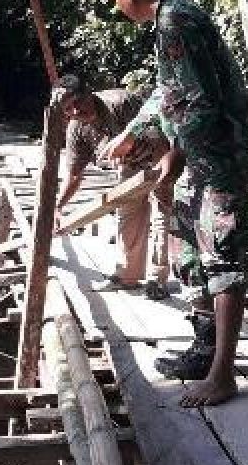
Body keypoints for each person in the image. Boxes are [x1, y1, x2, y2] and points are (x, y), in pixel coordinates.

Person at [97, 0, 248, 407]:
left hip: (219, 155)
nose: (115, 6)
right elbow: (168, 94)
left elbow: (201, 103)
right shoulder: (170, 16)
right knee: (188, 241)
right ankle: (204, 352)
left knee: (221, 256)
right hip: (199, 154)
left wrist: (174, 157)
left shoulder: (175, 22)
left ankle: (222, 375)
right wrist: (131, 133)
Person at [53, 73, 171, 299]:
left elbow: (159, 124)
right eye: (68, 110)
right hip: (129, 166)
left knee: (161, 216)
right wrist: (58, 207)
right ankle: (128, 276)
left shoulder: (120, 103)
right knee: (126, 214)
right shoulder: (76, 129)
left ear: (88, 93)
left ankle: (158, 279)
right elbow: (75, 174)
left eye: (77, 103)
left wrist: (133, 144)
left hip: (158, 154)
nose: (76, 112)